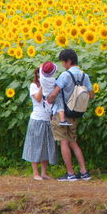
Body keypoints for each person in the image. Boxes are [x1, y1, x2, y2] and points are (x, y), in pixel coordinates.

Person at [47, 49, 94, 182]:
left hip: (62, 113)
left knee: (64, 142)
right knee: (73, 142)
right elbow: (91, 95)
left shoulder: (65, 75)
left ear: (68, 61)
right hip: (76, 114)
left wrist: (49, 99)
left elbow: (55, 93)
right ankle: (84, 172)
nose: (63, 65)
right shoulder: (85, 76)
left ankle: (71, 173)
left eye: (63, 62)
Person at [22, 68, 58, 181]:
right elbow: (38, 98)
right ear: (36, 75)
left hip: (48, 120)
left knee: (46, 146)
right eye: (39, 74)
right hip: (37, 119)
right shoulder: (34, 86)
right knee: (35, 145)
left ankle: (44, 172)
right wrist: (42, 85)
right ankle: (35, 172)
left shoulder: (50, 85)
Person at [40, 61, 71, 126]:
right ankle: (62, 120)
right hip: (53, 95)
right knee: (60, 104)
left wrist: (44, 66)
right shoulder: (52, 80)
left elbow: (41, 67)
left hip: (45, 95)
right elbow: (57, 87)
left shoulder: (42, 77)